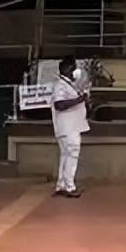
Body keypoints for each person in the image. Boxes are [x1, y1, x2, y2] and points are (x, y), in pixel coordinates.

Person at [50, 56, 91, 197]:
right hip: (68, 127)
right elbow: (59, 104)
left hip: (71, 126)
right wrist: (80, 99)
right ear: (67, 69)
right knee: (72, 155)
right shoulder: (60, 85)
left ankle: (61, 185)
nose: (75, 71)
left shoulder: (69, 84)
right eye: (73, 68)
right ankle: (69, 186)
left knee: (66, 156)